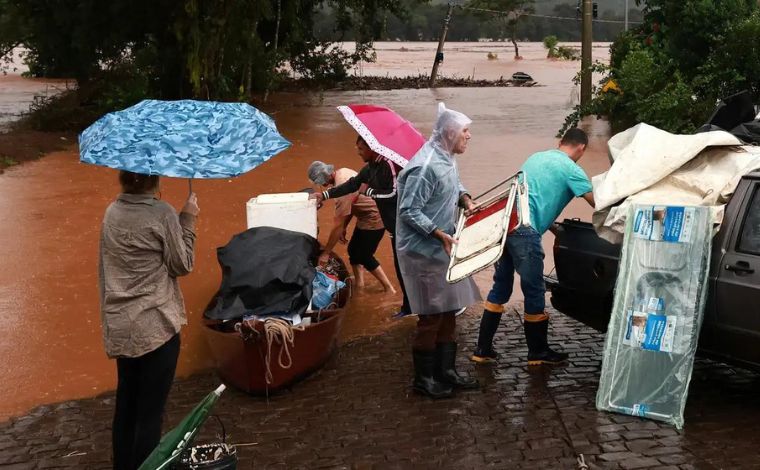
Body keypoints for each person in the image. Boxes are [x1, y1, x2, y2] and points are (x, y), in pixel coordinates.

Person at [99, 171, 199, 470]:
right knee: (150, 413)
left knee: (126, 406)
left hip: (122, 326)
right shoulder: (163, 213)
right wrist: (189, 219)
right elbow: (182, 265)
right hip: (156, 326)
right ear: (156, 178)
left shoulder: (112, 211)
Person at [471, 128, 595, 366]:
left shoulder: (535, 158)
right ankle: (538, 352)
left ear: (560, 142)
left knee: (501, 287)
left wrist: (551, 227)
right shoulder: (572, 169)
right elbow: (597, 203)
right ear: (582, 148)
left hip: (507, 226)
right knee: (535, 290)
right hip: (526, 233)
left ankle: (482, 349)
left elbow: (529, 199)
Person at [396, 102, 482, 399]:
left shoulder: (446, 157)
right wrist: (436, 233)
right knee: (431, 315)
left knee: (449, 310)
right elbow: (408, 210)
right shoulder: (425, 166)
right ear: (449, 133)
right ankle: (423, 379)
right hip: (422, 250)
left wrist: (467, 200)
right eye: (465, 131)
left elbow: (454, 184)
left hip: (443, 244)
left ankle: (445, 371)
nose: (469, 136)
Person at [311, 135, 412, 317]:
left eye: (361, 149)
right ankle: (365, 289)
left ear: (372, 149)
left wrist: (326, 252)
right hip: (385, 223)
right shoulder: (367, 169)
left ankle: (398, 297)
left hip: (387, 222)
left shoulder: (387, 166)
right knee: (358, 253)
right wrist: (325, 196)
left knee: (368, 256)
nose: (357, 152)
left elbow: (392, 195)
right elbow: (352, 186)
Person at [307, 160, 396, 293]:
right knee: (353, 251)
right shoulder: (343, 172)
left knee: (365, 255)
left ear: (325, 178)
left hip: (374, 218)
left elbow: (337, 225)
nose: (322, 185)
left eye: (320, 182)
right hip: (366, 216)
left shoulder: (341, 187)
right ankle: (360, 285)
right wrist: (344, 227)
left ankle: (389, 288)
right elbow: (351, 205)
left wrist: (326, 253)